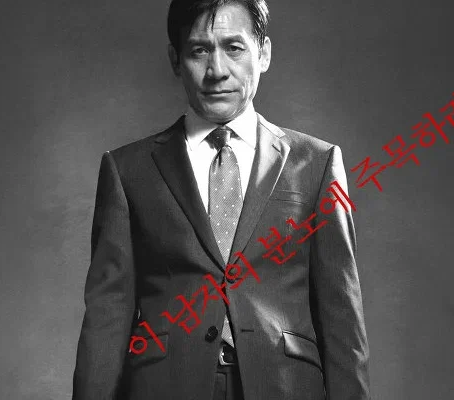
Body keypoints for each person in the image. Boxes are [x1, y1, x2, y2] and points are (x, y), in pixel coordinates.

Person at [72, 0, 370, 399]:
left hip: (284, 386)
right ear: (175, 60)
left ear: (263, 53)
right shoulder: (128, 171)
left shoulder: (316, 163)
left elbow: (342, 317)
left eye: (234, 47)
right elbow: (107, 319)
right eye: (199, 50)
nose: (217, 70)